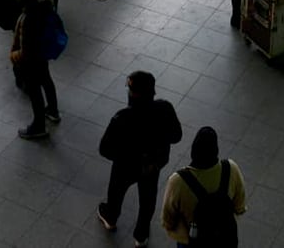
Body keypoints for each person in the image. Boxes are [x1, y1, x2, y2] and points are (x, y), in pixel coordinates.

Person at [97, 71, 183, 248]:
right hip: (152, 165)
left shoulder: (122, 117)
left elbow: (104, 149)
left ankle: (111, 217)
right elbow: (176, 136)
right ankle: (141, 235)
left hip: (125, 167)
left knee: (116, 192)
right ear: (153, 91)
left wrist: (122, 156)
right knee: (148, 198)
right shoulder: (165, 108)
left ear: (133, 94)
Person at [161, 126, 246, 247]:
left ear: (193, 151)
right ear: (216, 150)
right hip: (224, 238)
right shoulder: (231, 169)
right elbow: (239, 206)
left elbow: (168, 219)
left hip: (193, 241)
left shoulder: (178, 181)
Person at [10, 0, 60, 138]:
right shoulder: (44, 5)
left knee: (34, 91)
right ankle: (53, 110)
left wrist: (15, 56)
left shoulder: (29, 16)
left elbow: (26, 49)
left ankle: (38, 126)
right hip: (42, 55)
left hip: (31, 61)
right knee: (46, 80)